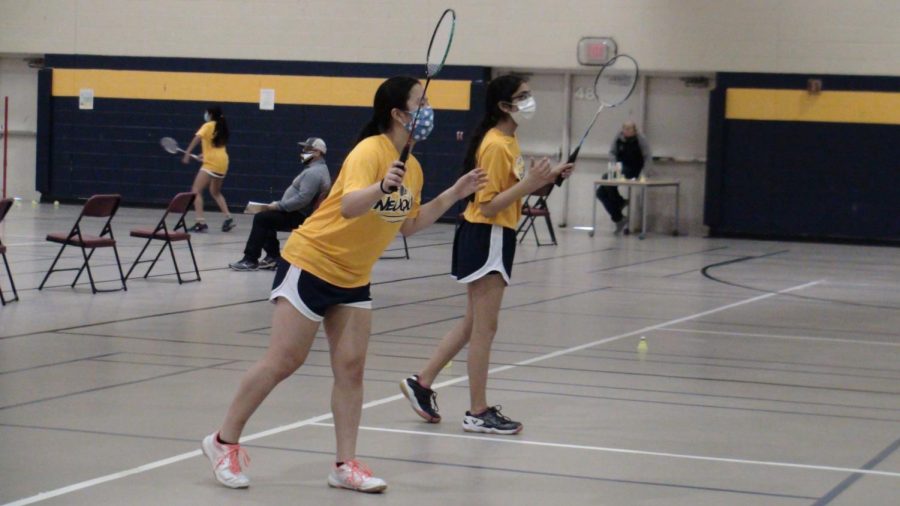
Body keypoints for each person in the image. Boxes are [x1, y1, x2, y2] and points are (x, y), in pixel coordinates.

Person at [201, 76, 486, 493]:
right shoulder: (370, 152)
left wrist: (455, 193)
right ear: (398, 113)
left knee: (351, 369)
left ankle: (344, 464)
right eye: (420, 103)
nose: (428, 111)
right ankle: (222, 442)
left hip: (353, 276)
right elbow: (352, 206)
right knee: (284, 361)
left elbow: (409, 224)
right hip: (312, 261)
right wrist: (380, 185)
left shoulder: (415, 168)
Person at [400, 75, 573, 435]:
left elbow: (509, 192)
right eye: (522, 96)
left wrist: (549, 178)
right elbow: (490, 205)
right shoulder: (496, 145)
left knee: (471, 323)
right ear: (504, 106)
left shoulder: (507, 141)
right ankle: (477, 410)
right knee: (484, 328)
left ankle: (423, 381)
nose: (529, 101)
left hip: (490, 235)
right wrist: (529, 185)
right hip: (487, 235)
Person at [228, 137, 332, 271]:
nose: (302, 152)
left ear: (317, 152)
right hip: (297, 212)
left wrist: (279, 206)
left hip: (300, 215)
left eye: (306, 149)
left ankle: (250, 259)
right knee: (266, 217)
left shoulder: (314, 173)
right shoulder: (317, 170)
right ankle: (273, 257)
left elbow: (303, 199)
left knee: (262, 218)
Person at [182, 105, 235, 232]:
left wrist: (187, 153)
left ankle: (200, 222)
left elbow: (197, 138)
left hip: (211, 163)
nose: (205, 114)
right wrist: (203, 155)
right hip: (223, 162)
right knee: (215, 192)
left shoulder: (208, 125)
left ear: (210, 114)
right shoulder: (221, 126)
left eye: (206, 112)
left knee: (195, 191)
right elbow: (215, 146)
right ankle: (228, 217)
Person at [597, 121, 651, 234]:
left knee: (606, 177)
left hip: (633, 170)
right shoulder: (618, 138)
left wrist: (644, 174)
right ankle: (619, 217)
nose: (626, 131)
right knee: (600, 192)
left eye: (629, 128)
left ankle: (619, 202)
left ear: (634, 130)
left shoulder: (640, 139)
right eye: (625, 128)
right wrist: (614, 165)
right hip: (619, 168)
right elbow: (612, 153)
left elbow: (647, 157)